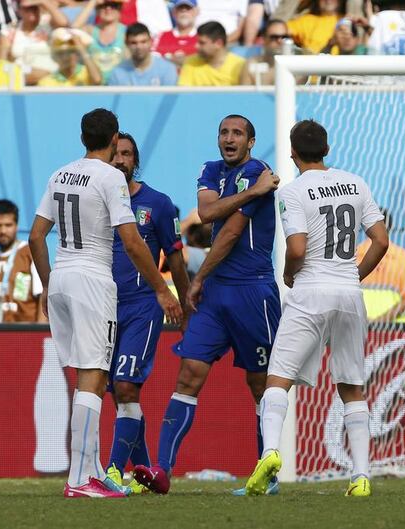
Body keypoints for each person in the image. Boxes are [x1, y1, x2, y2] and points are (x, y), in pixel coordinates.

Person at [29, 108, 183, 498]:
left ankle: (93, 469)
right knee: (95, 378)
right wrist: (162, 289)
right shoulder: (111, 177)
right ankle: (80, 479)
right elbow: (131, 241)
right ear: (114, 139)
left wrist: (47, 286)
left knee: (87, 374)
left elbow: (35, 237)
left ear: (83, 137)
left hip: (62, 276)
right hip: (93, 280)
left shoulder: (60, 173)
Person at [133, 115, 281, 496]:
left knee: (260, 384)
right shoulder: (212, 170)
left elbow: (231, 232)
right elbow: (209, 213)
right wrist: (252, 193)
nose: (229, 138)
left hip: (253, 291)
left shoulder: (258, 169)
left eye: (237, 134)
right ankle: (162, 470)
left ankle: (267, 475)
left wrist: (196, 281)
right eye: (224, 132)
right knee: (188, 375)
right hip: (216, 294)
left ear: (251, 142)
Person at [244, 119, 389, 497]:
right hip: (348, 292)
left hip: (310, 291)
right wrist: (354, 274)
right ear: (327, 149)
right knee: (352, 386)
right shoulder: (355, 183)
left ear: (292, 152)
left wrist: (291, 275)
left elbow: (295, 249)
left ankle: (271, 452)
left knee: (278, 379)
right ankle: (360, 477)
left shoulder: (292, 192)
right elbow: (381, 240)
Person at [102, 132, 191, 494]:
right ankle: (145, 473)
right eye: (115, 154)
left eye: (126, 154)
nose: (120, 160)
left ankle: (110, 470)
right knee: (118, 392)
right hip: (103, 307)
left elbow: (174, 257)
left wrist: (186, 305)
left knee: (126, 386)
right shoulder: (96, 200)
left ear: (134, 160)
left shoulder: (158, 203)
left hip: (141, 307)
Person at [0, 199, 45, 323]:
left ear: (16, 225)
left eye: (8, 225)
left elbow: (44, 296)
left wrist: (39, 335)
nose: (3, 231)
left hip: (25, 333)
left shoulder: (29, 253)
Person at [355, 208, 405, 323]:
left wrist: (378, 321)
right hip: (393, 331)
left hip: (364, 326)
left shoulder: (354, 256)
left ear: (365, 227)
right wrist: (382, 321)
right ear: (390, 227)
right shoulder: (404, 257)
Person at [0, 0, 68, 85]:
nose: (31, 11)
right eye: (27, 8)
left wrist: (43, 2)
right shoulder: (9, 31)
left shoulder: (47, 25)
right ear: (19, 10)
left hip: (50, 82)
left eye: (35, 7)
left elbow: (64, 24)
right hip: (21, 81)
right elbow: (1, 64)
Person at [72, 0, 127, 83]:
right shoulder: (90, 31)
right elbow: (74, 29)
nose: (108, 8)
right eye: (103, 6)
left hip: (119, 88)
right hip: (94, 88)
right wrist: (93, 2)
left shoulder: (126, 32)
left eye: (113, 5)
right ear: (97, 9)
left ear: (120, 9)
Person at [107, 23, 177, 86]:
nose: (139, 47)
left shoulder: (167, 69)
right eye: (134, 43)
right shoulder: (118, 72)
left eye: (143, 42)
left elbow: (169, 98)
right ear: (127, 44)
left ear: (150, 42)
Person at [178, 21, 245, 86]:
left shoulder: (239, 65)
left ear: (219, 43)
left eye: (202, 43)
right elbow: (183, 93)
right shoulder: (191, 62)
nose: (196, 46)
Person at [37, 28, 102, 86]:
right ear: (55, 57)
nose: (66, 56)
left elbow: (97, 80)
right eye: (61, 53)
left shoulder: (87, 72)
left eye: (71, 51)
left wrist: (81, 47)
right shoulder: (46, 82)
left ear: (77, 54)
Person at [239, 19, 289, 86]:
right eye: (274, 37)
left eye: (284, 37)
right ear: (263, 39)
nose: (280, 41)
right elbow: (244, 95)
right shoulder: (251, 65)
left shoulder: (296, 65)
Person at [153, 0, 199, 68]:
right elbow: (152, 59)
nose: (184, 12)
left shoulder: (203, 37)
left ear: (196, 12)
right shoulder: (161, 36)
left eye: (188, 9)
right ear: (173, 12)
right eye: (180, 9)